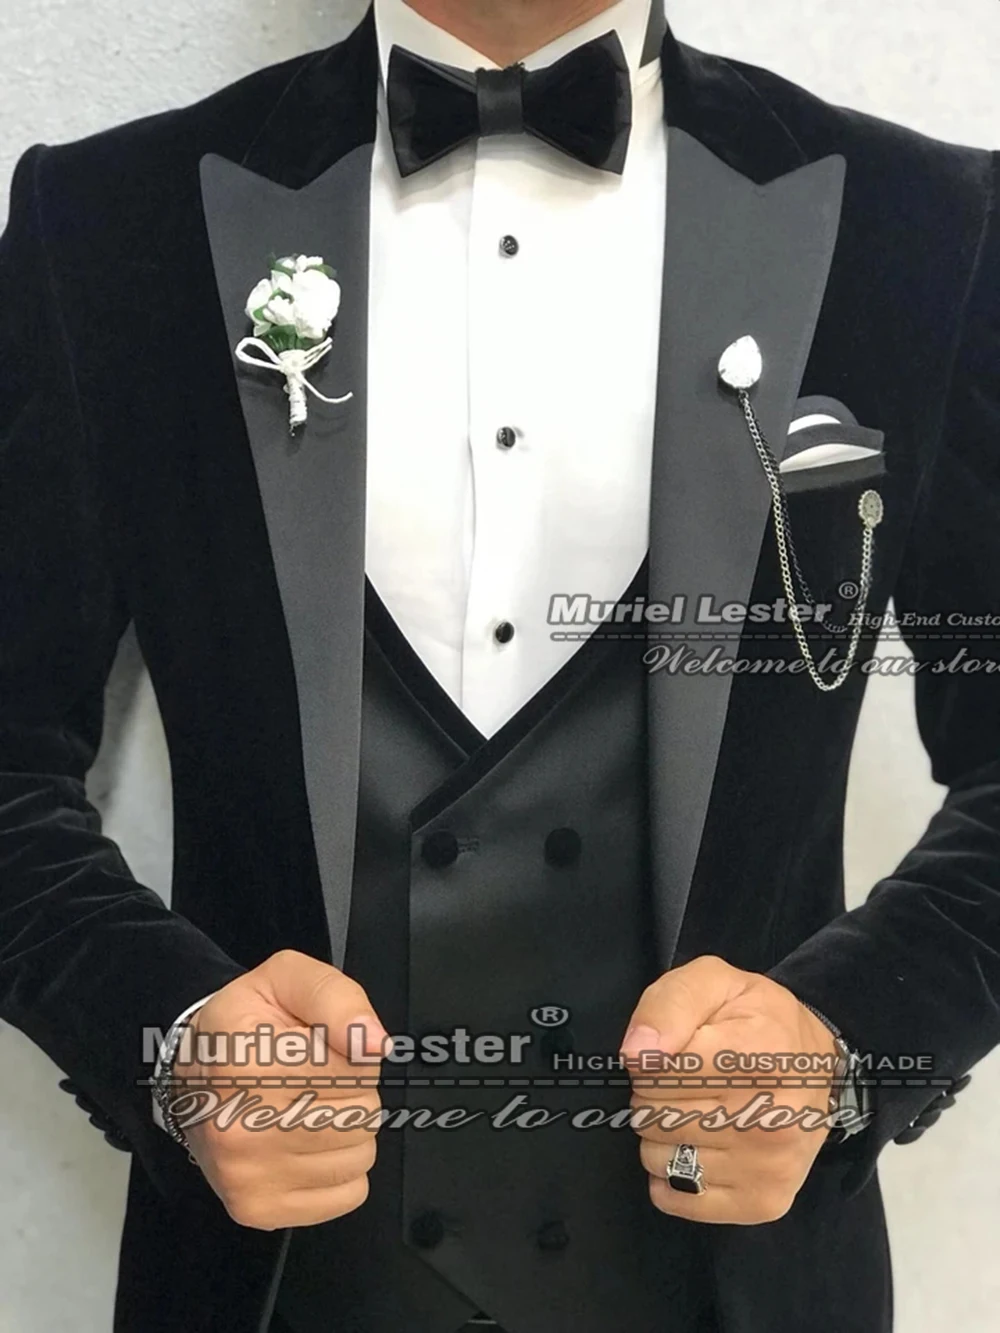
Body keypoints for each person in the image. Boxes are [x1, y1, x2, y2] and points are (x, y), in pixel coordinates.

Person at [1, 0, 998, 1329]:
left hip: (742, 1286)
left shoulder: (923, 227)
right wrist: (170, 1041)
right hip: (269, 1287)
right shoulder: (108, 224)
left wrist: (849, 1050)